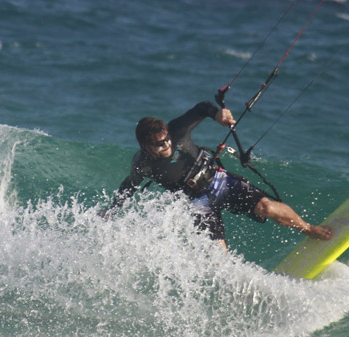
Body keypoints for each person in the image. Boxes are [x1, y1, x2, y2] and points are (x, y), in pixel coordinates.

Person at [101, 101, 333, 249]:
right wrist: (112, 209)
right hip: (196, 202)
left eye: (166, 139)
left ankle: (309, 229)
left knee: (267, 208)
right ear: (145, 146)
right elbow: (129, 186)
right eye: (159, 144)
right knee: (218, 256)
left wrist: (217, 115)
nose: (166, 144)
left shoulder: (177, 131)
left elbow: (201, 107)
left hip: (217, 181)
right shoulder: (143, 164)